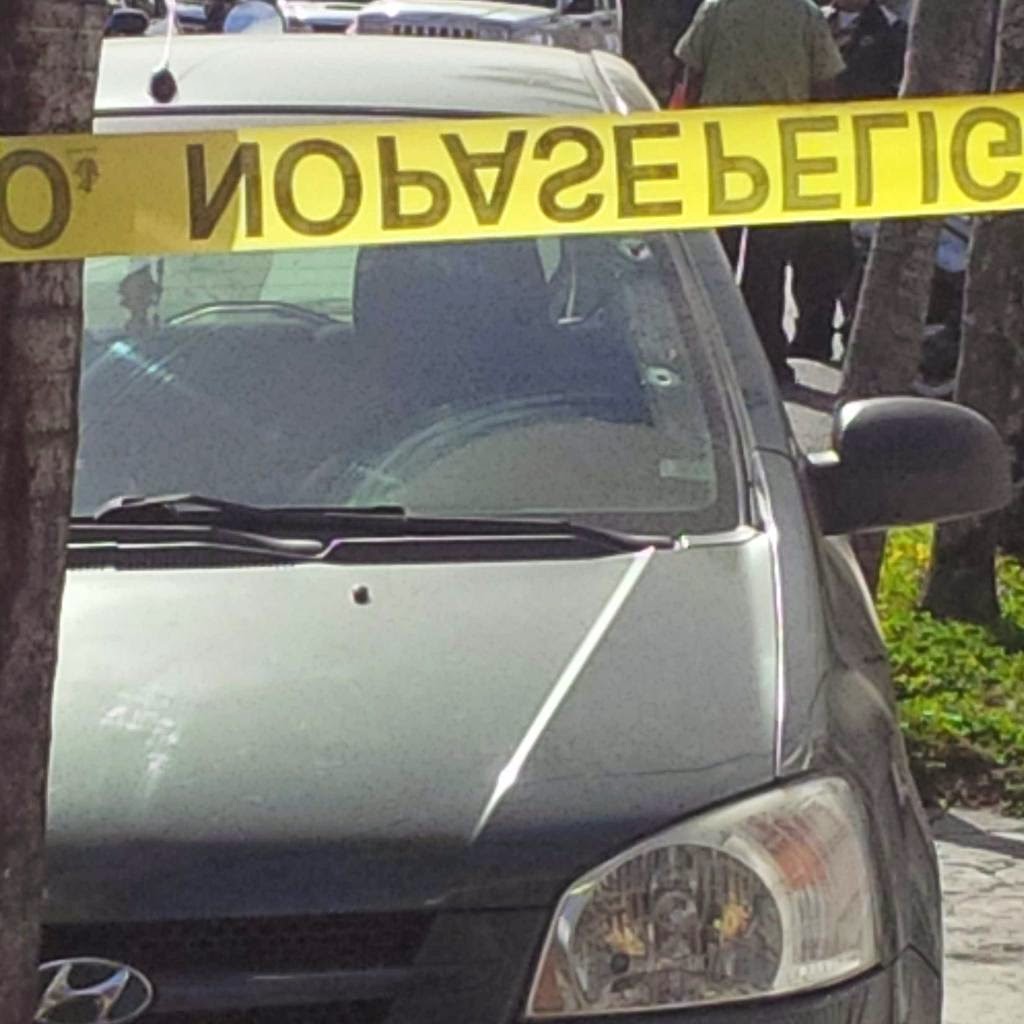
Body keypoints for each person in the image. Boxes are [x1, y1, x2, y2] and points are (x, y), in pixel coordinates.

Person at [674, 0, 845, 385]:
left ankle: (713, 357)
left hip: (721, 147)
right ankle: (767, 358)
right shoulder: (805, 14)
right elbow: (825, 86)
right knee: (768, 264)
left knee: (716, 258)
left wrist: (686, 137)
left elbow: (691, 78)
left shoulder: (716, 9)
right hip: (780, 149)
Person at [788, 0, 908, 361]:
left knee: (856, 254)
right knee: (811, 251)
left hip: (864, 158)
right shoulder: (814, 22)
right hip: (815, 154)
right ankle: (812, 334)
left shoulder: (891, 32)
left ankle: (856, 335)